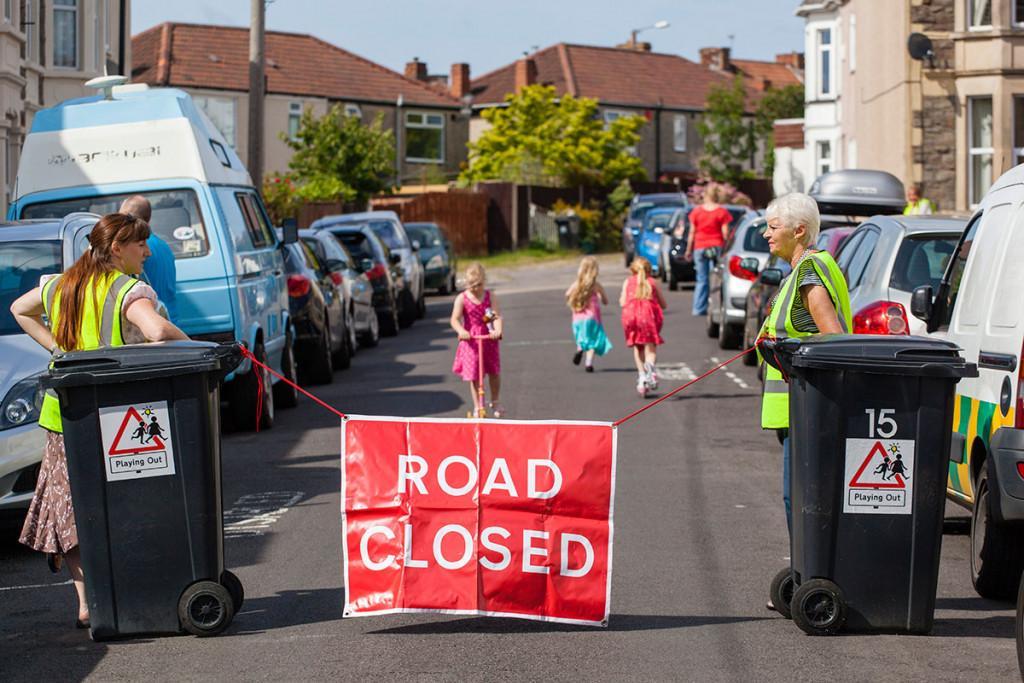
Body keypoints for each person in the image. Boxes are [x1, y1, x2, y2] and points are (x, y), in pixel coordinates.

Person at [9, 213, 190, 629]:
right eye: (139, 244)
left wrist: (57, 349)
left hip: (65, 416)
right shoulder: (128, 290)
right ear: (116, 249)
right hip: (118, 414)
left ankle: (87, 602)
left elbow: (20, 308)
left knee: (72, 507)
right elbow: (158, 331)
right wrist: (195, 345)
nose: (146, 252)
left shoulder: (60, 285)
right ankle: (135, 587)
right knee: (130, 501)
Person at [756, 193, 852, 610]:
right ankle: (807, 572)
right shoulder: (799, 271)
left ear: (799, 231)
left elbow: (832, 340)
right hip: (797, 412)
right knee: (797, 499)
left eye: (772, 226)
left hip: (810, 413)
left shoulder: (811, 273)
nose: (765, 233)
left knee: (804, 500)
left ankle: (818, 577)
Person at [451, 263, 504, 417]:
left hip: (488, 337)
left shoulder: (490, 296)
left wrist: (498, 330)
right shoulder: (462, 298)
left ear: (484, 281)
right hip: (471, 340)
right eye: (471, 285)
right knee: (474, 374)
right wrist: (461, 331)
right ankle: (477, 405)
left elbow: (495, 316)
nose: (475, 288)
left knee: (494, 370)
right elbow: (454, 319)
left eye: (479, 284)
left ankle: (495, 401)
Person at [119, 195, 179, 324]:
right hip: (170, 320)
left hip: (152, 322)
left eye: (121, 217)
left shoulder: (133, 248)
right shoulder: (164, 246)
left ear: (129, 218)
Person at [620, 257, 667, 397]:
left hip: (631, 317)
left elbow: (622, 302)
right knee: (650, 347)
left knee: (637, 347)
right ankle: (650, 368)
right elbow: (663, 304)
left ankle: (642, 377)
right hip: (648, 317)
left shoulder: (628, 281)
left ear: (632, 270)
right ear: (649, 270)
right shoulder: (652, 282)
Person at [685, 183, 733, 317]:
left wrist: (688, 250)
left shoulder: (697, 211)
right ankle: (714, 307)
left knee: (702, 279)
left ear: (705, 196)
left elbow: (691, 233)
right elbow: (725, 233)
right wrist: (727, 248)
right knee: (716, 278)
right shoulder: (721, 212)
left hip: (700, 246)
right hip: (716, 246)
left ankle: (698, 308)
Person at [565, 256, 613, 373]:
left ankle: (580, 349)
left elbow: (567, 294)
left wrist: (575, 300)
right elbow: (605, 301)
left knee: (582, 337)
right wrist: (600, 298)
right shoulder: (596, 285)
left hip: (578, 317)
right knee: (593, 340)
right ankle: (588, 363)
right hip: (592, 318)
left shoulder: (577, 284)